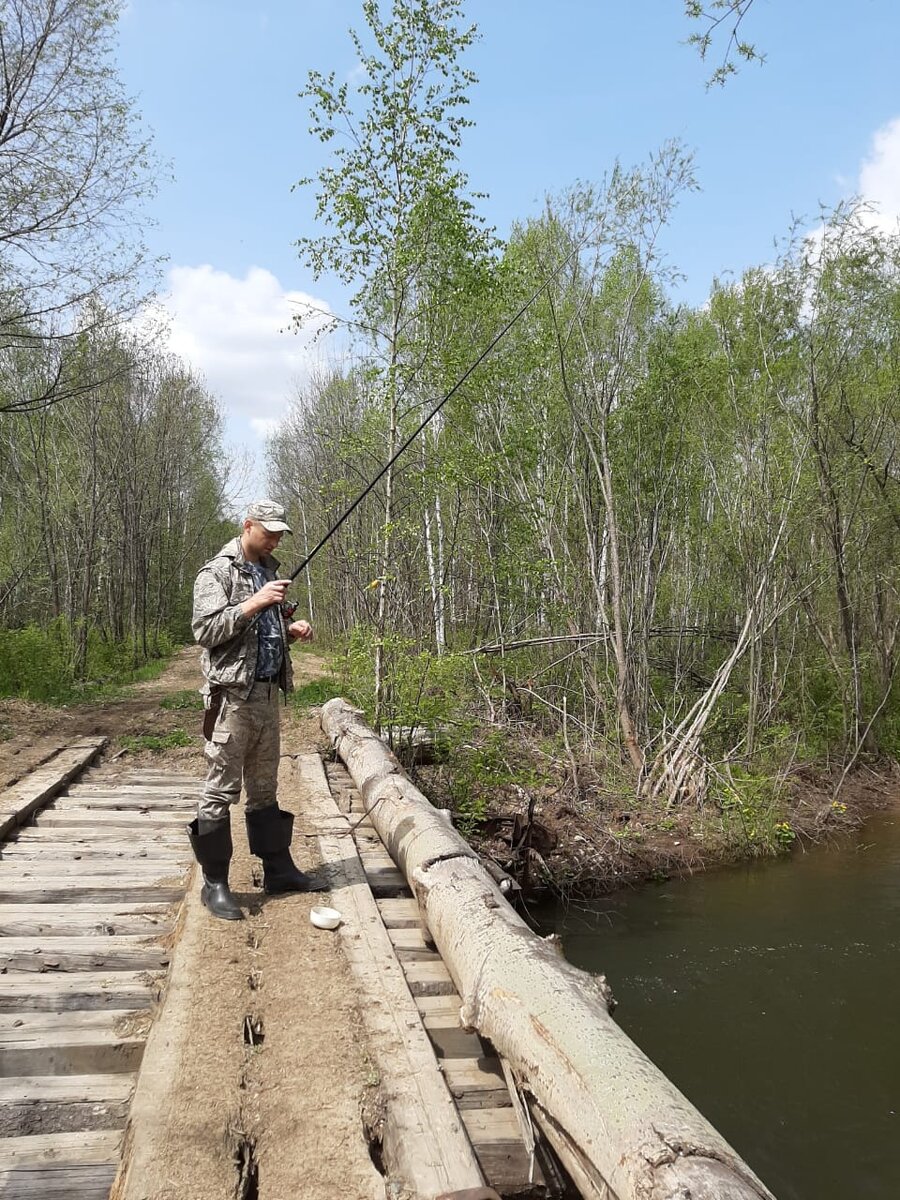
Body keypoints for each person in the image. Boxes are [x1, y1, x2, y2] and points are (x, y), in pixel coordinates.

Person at [187, 499, 324, 920]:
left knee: (264, 788)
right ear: (248, 526)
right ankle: (216, 884)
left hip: (266, 696)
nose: (276, 539)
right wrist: (255, 603)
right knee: (220, 789)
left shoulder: (269, 569)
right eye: (269, 532)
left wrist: (289, 628)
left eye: (281, 533)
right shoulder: (217, 572)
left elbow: (263, 628)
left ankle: (278, 869)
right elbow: (205, 630)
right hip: (231, 699)